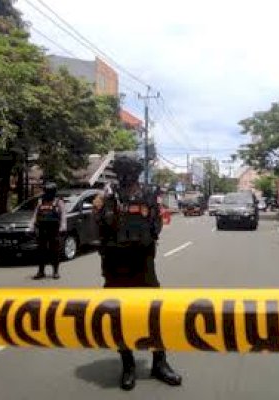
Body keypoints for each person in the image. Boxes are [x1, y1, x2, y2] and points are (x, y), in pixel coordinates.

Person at [93, 151, 182, 391]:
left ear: (136, 172)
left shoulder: (150, 195)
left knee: (155, 314)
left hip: (143, 265)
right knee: (119, 318)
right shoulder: (106, 196)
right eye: (123, 170)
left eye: (130, 170)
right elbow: (99, 225)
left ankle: (160, 363)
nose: (127, 174)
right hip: (115, 266)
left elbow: (157, 224)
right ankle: (128, 365)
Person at [31, 182, 66, 280]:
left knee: (54, 251)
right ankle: (41, 271)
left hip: (54, 229)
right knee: (41, 251)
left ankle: (55, 272)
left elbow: (63, 214)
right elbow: (35, 214)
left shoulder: (58, 201)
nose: (46, 193)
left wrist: (63, 227)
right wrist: (31, 226)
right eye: (45, 191)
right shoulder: (40, 201)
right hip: (42, 228)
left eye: (48, 191)